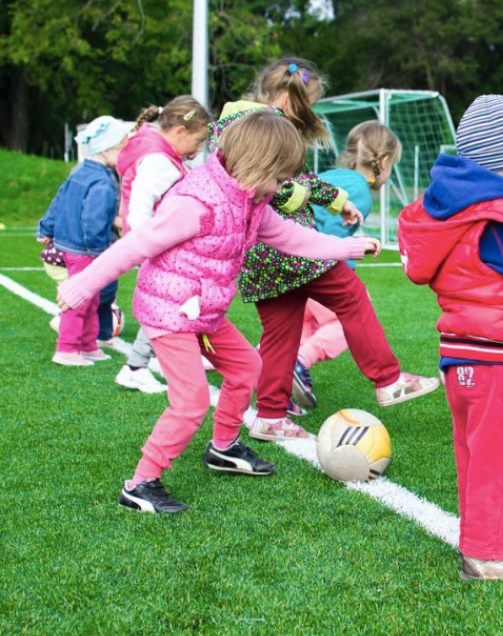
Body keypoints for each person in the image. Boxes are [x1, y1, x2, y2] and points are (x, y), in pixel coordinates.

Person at [56, 110, 381, 514]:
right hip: (170, 313)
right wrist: (81, 286)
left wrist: (348, 247)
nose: (283, 189)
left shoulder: (252, 201)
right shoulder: (196, 203)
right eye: (280, 179)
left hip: (204, 313)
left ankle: (223, 448)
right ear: (257, 166)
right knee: (191, 401)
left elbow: (290, 237)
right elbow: (135, 246)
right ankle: (140, 483)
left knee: (248, 367)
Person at [210, 57, 438, 443]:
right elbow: (269, 185)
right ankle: (388, 379)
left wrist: (337, 201)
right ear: (286, 97)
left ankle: (269, 415)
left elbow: (298, 177)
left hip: (259, 256)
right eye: (307, 104)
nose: (308, 113)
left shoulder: (238, 121)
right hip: (288, 248)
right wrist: (303, 200)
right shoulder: (258, 125)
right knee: (350, 296)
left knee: (282, 333)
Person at [397, 95, 503, 581]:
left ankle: (485, 537)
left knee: (477, 456)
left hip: (464, 355)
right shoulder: (497, 218)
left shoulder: (459, 212)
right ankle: (490, 554)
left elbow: (482, 279)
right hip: (493, 363)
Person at [291, 120, 403, 410]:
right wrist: (348, 257)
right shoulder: (360, 192)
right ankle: (300, 362)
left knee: (298, 327)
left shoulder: (330, 175)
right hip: (316, 266)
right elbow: (331, 234)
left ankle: (268, 369)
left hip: (289, 263)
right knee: (345, 321)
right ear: (385, 161)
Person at [112, 95, 213, 395]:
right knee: (168, 306)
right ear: (180, 133)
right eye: (197, 141)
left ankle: (161, 360)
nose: (197, 152)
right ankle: (135, 367)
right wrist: (149, 243)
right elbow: (141, 207)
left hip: (161, 246)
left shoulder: (163, 155)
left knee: (181, 301)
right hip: (158, 248)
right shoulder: (159, 162)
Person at [37, 115, 133, 366]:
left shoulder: (80, 172)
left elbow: (58, 200)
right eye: (122, 148)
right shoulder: (102, 181)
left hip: (74, 246)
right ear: (109, 149)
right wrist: (99, 252)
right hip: (86, 250)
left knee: (91, 298)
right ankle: (67, 348)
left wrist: (45, 226)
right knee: (80, 299)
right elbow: (94, 219)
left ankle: (88, 345)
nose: (124, 154)